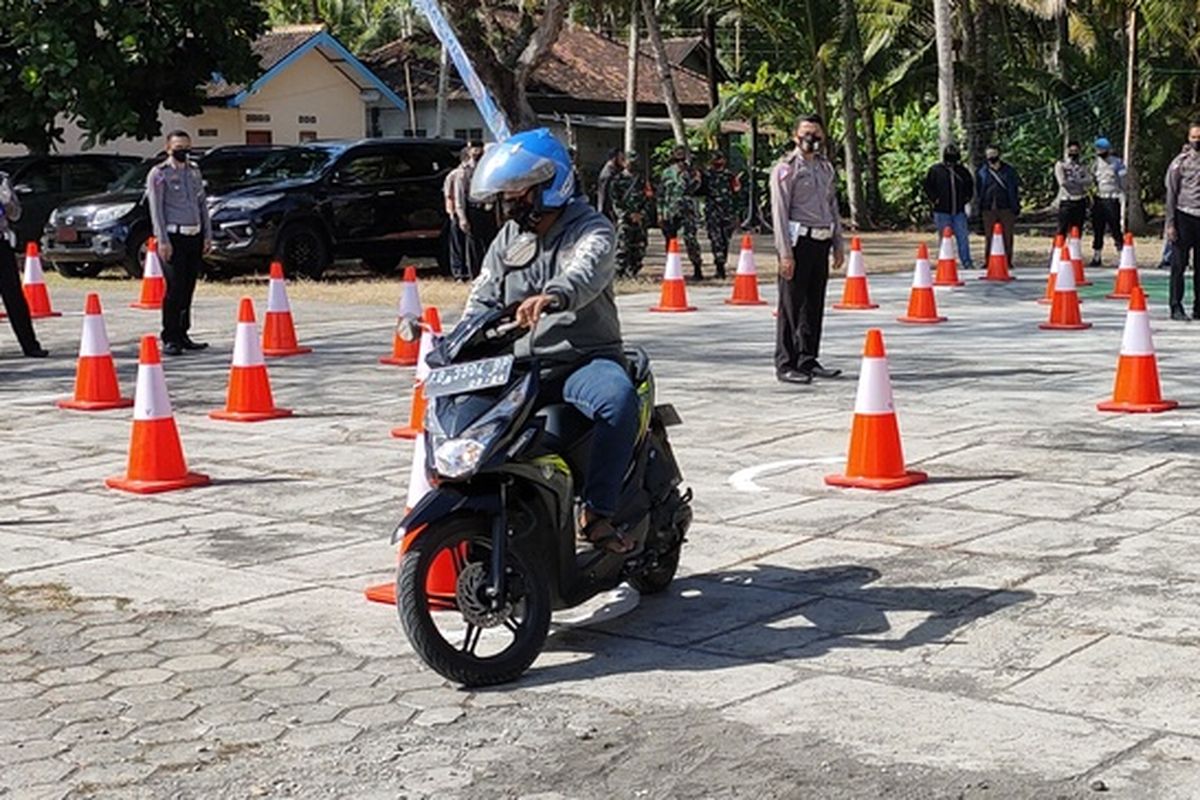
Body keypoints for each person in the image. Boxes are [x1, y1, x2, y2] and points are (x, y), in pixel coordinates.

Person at [465, 127, 638, 554]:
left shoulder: (591, 228)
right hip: (521, 365)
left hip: (583, 358)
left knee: (617, 401)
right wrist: (454, 342)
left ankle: (598, 513)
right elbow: (483, 293)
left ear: (550, 186)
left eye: (520, 193)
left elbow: (587, 271)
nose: (510, 204)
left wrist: (554, 295)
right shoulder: (509, 239)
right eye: (507, 195)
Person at [769, 113, 844, 385]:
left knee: (814, 303)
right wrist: (785, 253)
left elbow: (833, 207)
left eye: (816, 133)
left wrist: (838, 244)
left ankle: (808, 358)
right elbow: (779, 213)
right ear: (795, 137)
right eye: (806, 133)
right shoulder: (786, 169)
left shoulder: (825, 168)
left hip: (821, 240)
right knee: (791, 304)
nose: (811, 138)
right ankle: (786, 362)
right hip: (797, 242)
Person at [147, 130, 210, 356]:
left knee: (188, 287)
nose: (183, 152)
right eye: (179, 148)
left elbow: (202, 205)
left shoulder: (193, 172)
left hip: (194, 235)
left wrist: (207, 235)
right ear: (168, 148)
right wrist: (162, 240)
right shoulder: (159, 174)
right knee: (174, 288)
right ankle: (170, 336)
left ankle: (183, 333)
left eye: (187, 147)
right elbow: (156, 210)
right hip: (173, 237)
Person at [0, 170, 47, 357]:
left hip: (1, 245)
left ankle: (30, 345)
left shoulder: (2, 179)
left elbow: (15, 214)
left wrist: (6, 199)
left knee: (13, 296)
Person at [1164, 122, 1200, 321]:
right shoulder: (1180, 162)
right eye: (1194, 137)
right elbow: (1171, 192)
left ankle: (1198, 307)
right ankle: (1176, 306)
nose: (1197, 141)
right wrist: (1170, 223)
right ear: (1188, 138)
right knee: (1179, 265)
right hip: (1183, 216)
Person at [923, 143, 975, 269]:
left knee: (962, 237)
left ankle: (966, 261)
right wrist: (935, 200)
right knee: (944, 238)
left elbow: (970, 186)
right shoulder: (936, 170)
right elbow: (928, 186)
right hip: (942, 210)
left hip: (958, 210)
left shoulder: (962, 171)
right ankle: (944, 262)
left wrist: (965, 199)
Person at [657, 146, 703, 280]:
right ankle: (671, 269)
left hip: (687, 211)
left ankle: (697, 268)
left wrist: (695, 179)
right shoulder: (667, 173)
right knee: (670, 242)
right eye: (678, 157)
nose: (681, 161)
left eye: (683, 158)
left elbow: (695, 190)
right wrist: (660, 212)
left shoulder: (691, 172)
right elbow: (661, 194)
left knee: (690, 239)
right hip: (670, 211)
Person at [976, 146, 1020, 270]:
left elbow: (1014, 188)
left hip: (1006, 207)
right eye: (989, 154)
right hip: (988, 208)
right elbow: (979, 189)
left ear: (999, 154)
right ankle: (988, 261)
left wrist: (1015, 205)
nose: (991, 157)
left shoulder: (1009, 170)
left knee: (1007, 236)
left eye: (994, 154)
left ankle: (1008, 261)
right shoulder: (982, 172)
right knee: (989, 236)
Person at [702, 151, 740, 280]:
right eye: (715, 160)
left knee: (725, 240)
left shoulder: (729, 176)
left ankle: (721, 263)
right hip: (712, 212)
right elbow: (699, 190)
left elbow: (737, 194)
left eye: (719, 159)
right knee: (715, 239)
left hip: (727, 212)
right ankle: (719, 266)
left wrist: (736, 214)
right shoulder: (706, 175)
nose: (717, 162)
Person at [611, 151, 649, 277]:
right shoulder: (617, 180)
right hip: (625, 219)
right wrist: (627, 215)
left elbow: (648, 198)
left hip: (640, 219)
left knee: (639, 246)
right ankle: (619, 273)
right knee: (623, 246)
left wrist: (641, 214)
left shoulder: (642, 180)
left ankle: (634, 271)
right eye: (629, 161)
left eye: (634, 161)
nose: (632, 164)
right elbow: (615, 201)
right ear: (624, 162)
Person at [1090, 137, 1126, 267]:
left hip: (1112, 197)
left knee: (1115, 228)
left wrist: (1123, 195)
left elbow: (1123, 180)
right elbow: (1092, 179)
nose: (1100, 151)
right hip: (1099, 198)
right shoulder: (1095, 164)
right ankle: (1097, 256)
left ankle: (1122, 255)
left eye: (1103, 149)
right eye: (1098, 149)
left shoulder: (1117, 163)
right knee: (1097, 228)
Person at [1054, 140, 1092, 238]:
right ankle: (1058, 251)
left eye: (1076, 151)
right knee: (1062, 229)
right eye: (1071, 151)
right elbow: (1062, 182)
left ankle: (1075, 251)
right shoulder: (1061, 164)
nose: (1074, 153)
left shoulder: (1082, 165)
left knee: (1077, 230)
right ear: (1067, 150)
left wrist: (1075, 181)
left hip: (1080, 200)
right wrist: (1079, 182)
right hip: (1067, 200)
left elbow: (1089, 180)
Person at [444, 151, 470, 281]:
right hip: (456, 212)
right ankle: (458, 272)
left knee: (468, 243)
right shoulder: (454, 175)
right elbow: (449, 195)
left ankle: (468, 270)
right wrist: (452, 213)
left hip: (469, 210)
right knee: (457, 244)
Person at [595, 148, 624, 223]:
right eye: (621, 158)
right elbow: (604, 194)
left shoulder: (615, 171)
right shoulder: (607, 174)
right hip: (609, 211)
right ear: (615, 158)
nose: (623, 161)